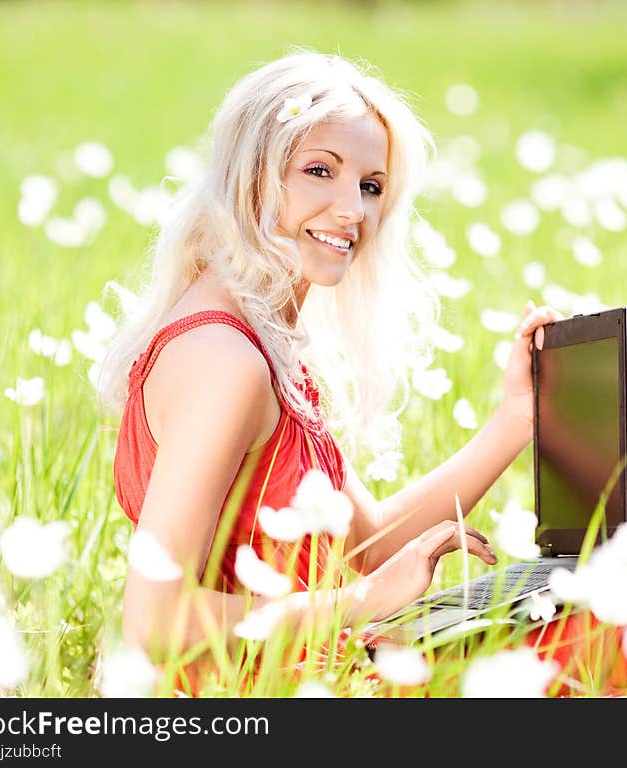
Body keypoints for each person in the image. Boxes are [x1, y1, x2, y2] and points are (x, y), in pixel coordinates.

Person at [97, 49, 593, 694]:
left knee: (589, 617)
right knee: (608, 632)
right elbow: (155, 621)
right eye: (318, 171)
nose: (352, 211)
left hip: (307, 675)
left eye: (370, 186)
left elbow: (368, 544)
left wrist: (514, 420)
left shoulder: (264, 346)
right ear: (252, 177)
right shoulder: (225, 361)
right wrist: (357, 605)